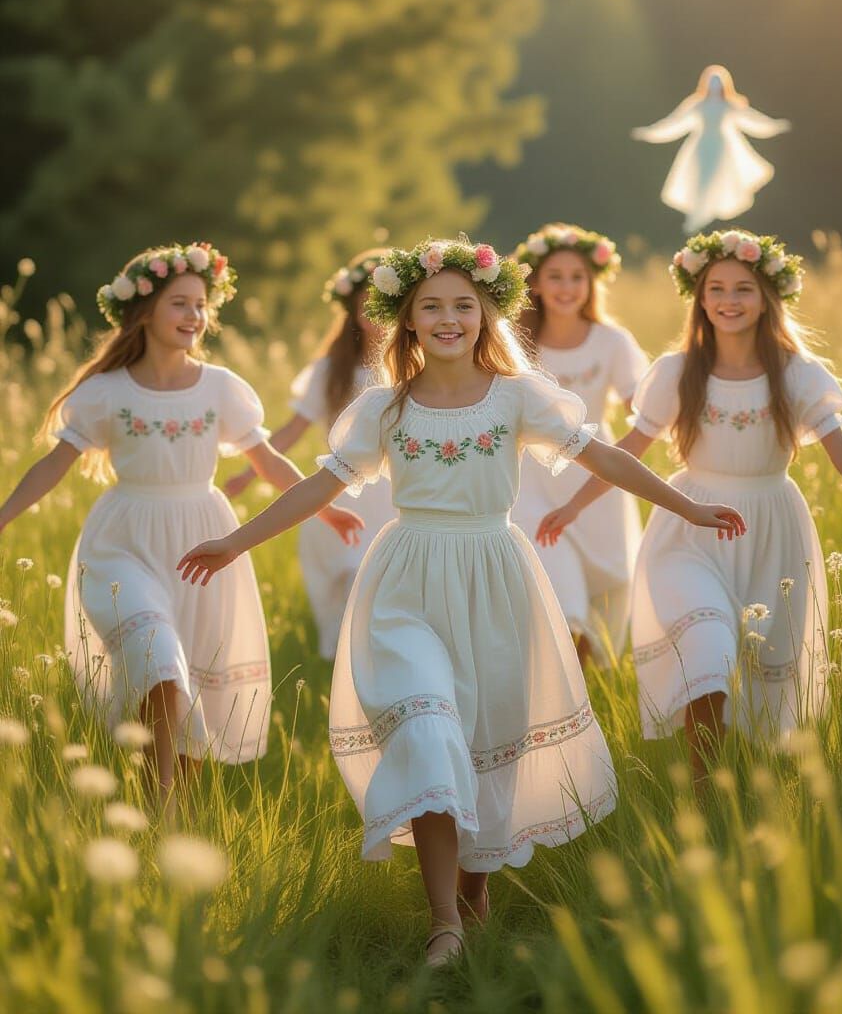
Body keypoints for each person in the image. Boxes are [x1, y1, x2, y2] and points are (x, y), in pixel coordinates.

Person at [177, 238, 744, 965]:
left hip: (496, 576)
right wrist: (236, 541)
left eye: (463, 306)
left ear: (487, 316)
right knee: (427, 727)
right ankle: (445, 918)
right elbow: (319, 486)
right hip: (407, 581)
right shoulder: (385, 408)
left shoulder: (515, 396)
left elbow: (603, 455)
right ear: (405, 322)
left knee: (483, 747)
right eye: (430, 307)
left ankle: (474, 890)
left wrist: (687, 505)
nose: (448, 319)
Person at [0, 242, 361, 807]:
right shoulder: (105, 393)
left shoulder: (220, 387)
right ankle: (162, 806)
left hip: (200, 537)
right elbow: (53, 465)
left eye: (200, 305)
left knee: (188, 681)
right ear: (144, 312)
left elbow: (265, 460)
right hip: (123, 541)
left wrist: (324, 505)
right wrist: (3, 516)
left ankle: (163, 805)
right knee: (158, 661)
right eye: (180, 304)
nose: (194, 316)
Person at [538, 229, 842, 780]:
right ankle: (704, 795)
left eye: (743, 289)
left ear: (766, 298)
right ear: (700, 299)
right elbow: (627, 449)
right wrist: (573, 507)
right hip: (689, 524)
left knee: (759, 675)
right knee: (707, 653)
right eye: (717, 289)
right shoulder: (678, 373)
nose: (729, 300)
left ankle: (749, 784)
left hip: (771, 527)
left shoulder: (797, 375)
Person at [224, 251, 395, 659]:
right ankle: (347, 677)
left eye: (383, 304)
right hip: (338, 490)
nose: (374, 314)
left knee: (383, 591)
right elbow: (292, 430)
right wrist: (249, 474)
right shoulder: (331, 371)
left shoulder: (410, 367)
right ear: (351, 311)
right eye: (365, 304)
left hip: (391, 497)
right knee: (352, 582)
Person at [512, 223, 648, 667]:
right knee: (559, 590)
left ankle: (587, 692)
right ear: (535, 282)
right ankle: (558, 683)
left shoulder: (612, 341)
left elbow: (642, 407)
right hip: (532, 477)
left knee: (605, 588)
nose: (567, 287)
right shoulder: (517, 344)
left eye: (577, 277)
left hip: (596, 470)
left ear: (592, 283)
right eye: (555, 276)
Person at [633, 65, 790, 233]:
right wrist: (649, 133)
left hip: (722, 149)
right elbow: (674, 124)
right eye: (711, 82)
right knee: (701, 182)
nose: (715, 86)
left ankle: (710, 224)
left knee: (721, 183)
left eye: (718, 82)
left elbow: (752, 120)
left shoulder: (730, 104)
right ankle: (696, 223)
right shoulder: (697, 104)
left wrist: (775, 126)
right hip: (701, 149)